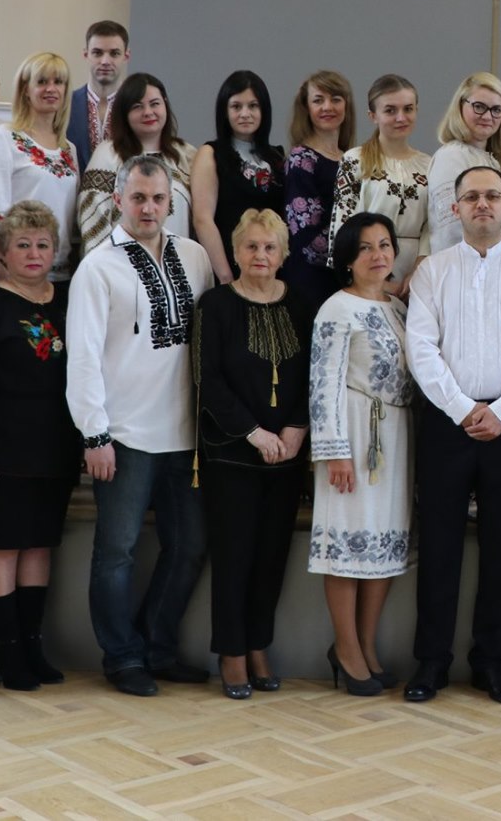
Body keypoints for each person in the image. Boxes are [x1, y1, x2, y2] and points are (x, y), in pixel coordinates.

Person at [403, 164, 501, 704]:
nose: (483, 204)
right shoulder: (433, 271)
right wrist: (464, 408)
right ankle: (431, 661)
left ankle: (491, 662)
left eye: (493, 195)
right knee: (439, 544)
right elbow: (421, 348)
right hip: (447, 423)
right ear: (455, 208)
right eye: (471, 197)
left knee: (500, 549)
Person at [67, 155, 214, 696]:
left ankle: (157, 647)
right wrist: (95, 433)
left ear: (171, 202)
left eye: (157, 199)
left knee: (190, 546)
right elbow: (82, 357)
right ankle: (122, 657)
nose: (148, 208)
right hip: (124, 436)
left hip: (186, 436)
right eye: (138, 198)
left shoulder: (195, 257)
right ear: (118, 201)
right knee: (117, 553)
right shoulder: (97, 268)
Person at [0, 201, 76, 693]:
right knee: (4, 545)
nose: (33, 253)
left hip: (55, 445)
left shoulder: (67, 302)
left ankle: (31, 644)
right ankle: (5, 650)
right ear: (2, 252)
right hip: (0, 449)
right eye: (22, 244)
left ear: (55, 251)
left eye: (42, 244)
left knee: (39, 544)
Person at [197, 208, 312, 699]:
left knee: (272, 556)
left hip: (288, 453)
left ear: (283, 254)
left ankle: (258, 643)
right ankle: (232, 652)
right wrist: (254, 433)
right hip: (232, 453)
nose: (260, 255)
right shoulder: (216, 304)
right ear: (236, 252)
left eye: (269, 247)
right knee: (234, 555)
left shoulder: (301, 304)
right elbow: (207, 378)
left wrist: (296, 429)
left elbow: (315, 373)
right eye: (251, 246)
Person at [308, 212, 414, 696]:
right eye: (366, 247)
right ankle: (346, 649)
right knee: (347, 546)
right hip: (352, 434)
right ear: (348, 258)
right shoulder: (336, 308)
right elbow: (322, 382)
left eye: (385, 245)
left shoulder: (399, 308)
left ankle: (367, 646)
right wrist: (335, 452)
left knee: (383, 546)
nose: (378, 255)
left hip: (395, 435)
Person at [328, 75, 434, 294]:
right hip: (368, 270)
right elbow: (342, 225)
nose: (401, 117)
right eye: (390, 110)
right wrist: (377, 284)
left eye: (408, 109)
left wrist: (419, 270)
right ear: (373, 116)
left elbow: (432, 225)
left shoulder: (429, 165)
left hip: (416, 275)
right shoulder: (355, 160)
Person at [0, 53, 80, 282]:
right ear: (26, 89)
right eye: (42, 81)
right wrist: (2, 275)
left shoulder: (69, 149)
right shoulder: (3, 138)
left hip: (58, 275)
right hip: (12, 274)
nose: (51, 89)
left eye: (58, 82)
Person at [77, 72, 197, 256]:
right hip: (122, 263)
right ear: (124, 113)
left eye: (155, 104)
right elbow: (92, 218)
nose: (148, 112)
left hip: (178, 262)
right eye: (137, 106)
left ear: (165, 104)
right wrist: (105, 264)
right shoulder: (108, 154)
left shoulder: (186, 155)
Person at [191, 71, 286, 284]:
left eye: (253, 106)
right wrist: (226, 277)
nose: (245, 113)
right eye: (236, 106)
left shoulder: (277, 157)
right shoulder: (210, 154)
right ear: (225, 111)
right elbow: (203, 220)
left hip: (272, 273)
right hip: (230, 273)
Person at [426, 74, 501, 256]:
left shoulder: (499, 162)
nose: (487, 116)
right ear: (460, 106)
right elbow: (451, 230)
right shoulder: (452, 156)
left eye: (496, 110)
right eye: (479, 107)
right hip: (470, 267)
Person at [282, 70, 355, 304]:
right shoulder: (301, 159)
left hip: (351, 276)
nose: (327, 107)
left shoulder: (354, 159)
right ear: (306, 108)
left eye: (336, 99)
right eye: (318, 100)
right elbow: (306, 235)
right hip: (313, 282)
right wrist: (354, 258)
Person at [67, 21, 131, 163]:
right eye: (97, 53)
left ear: (126, 56)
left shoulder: (136, 106)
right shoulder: (64, 105)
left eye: (114, 53)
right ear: (86, 54)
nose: (105, 61)